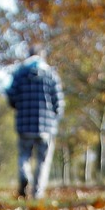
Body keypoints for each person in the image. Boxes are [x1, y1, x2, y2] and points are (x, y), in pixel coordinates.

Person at [6, 45, 63, 199]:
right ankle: (37, 192)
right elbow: (58, 102)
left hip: (24, 124)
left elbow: (11, 96)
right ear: (42, 55)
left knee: (24, 156)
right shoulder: (51, 74)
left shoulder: (19, 73)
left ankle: (25, 175)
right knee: (43, 161)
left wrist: (19, 106)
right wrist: (55, 118)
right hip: (47, 126)